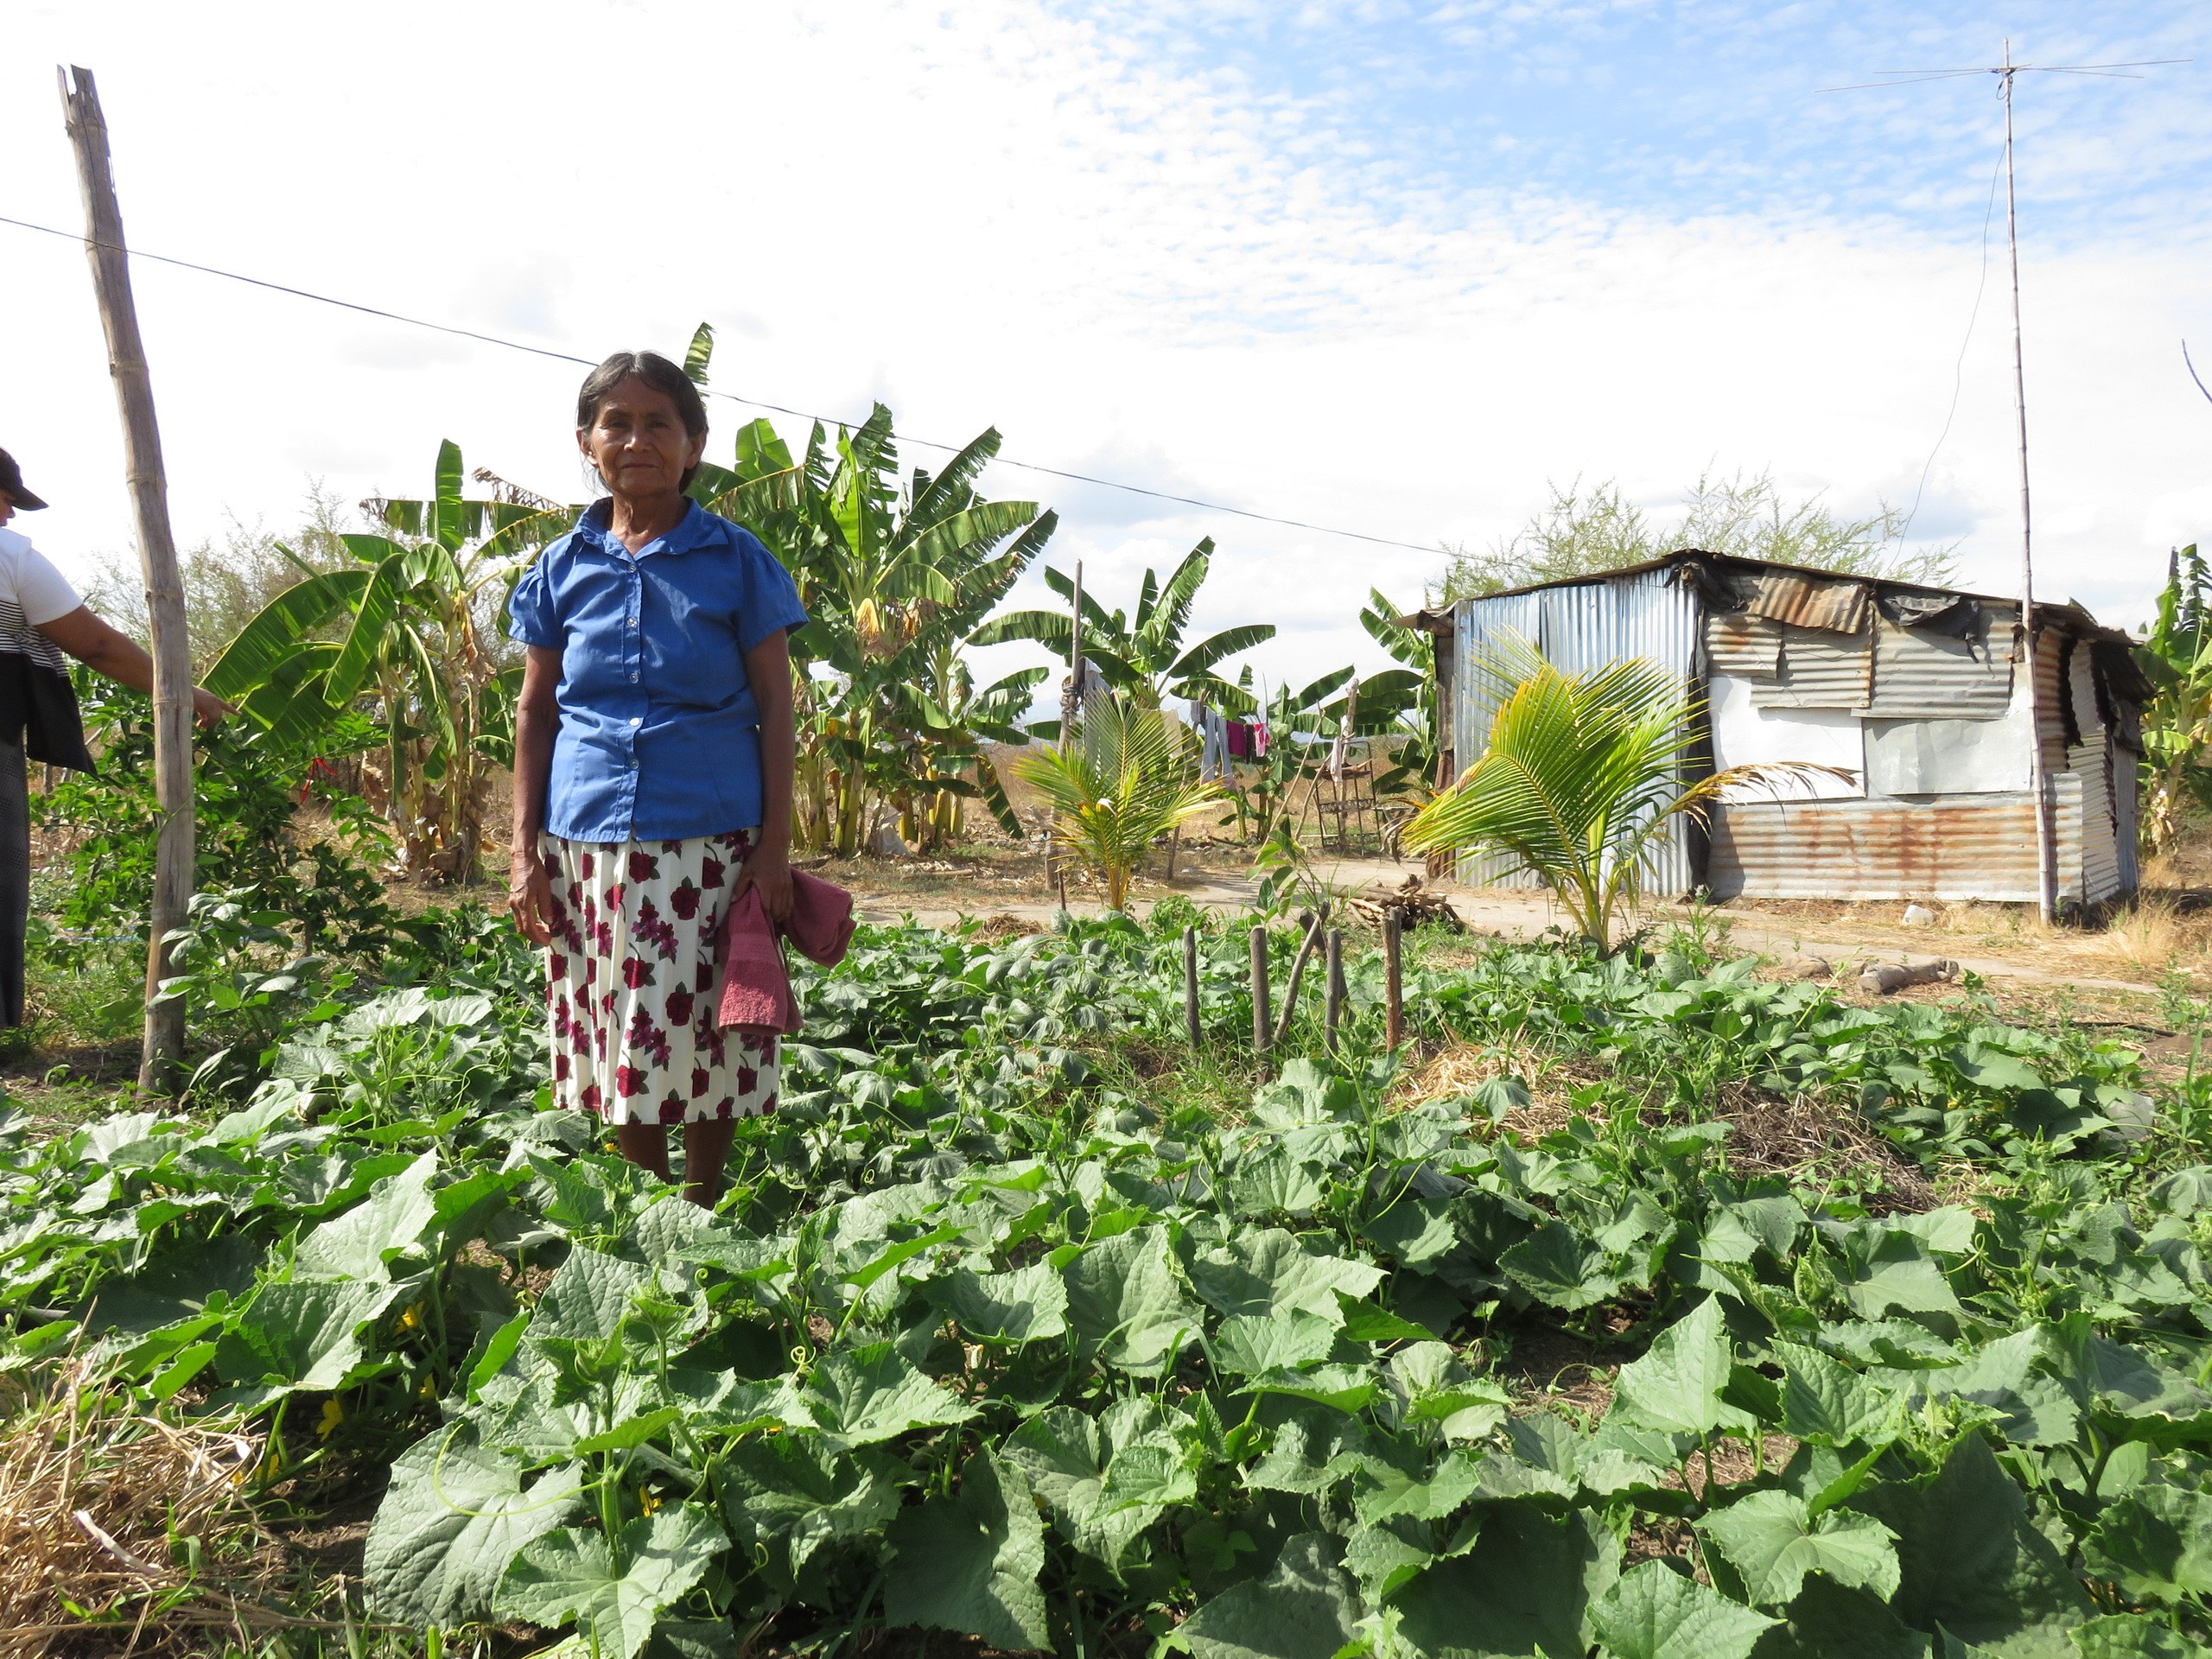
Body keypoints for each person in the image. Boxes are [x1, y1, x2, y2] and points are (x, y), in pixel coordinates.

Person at [505, 352, 806, 1207]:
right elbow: (535, 712)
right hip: (586, 836)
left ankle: (704, 1201)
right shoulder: (560, 568)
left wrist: (775, 848)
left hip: (712, 832)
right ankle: (646, 1204)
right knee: (613, 1025)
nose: (637, 439)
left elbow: (776, 706)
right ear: (585, 443)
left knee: (718, 1023)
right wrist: (521, 850)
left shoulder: (737, 562)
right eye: (617, 423)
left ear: (694, 445)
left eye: (659, 423)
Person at [0, 448, 228, 1027]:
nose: (10, 517)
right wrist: (187, 692)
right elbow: (96, 647)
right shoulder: (13, 559)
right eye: (6, 501)